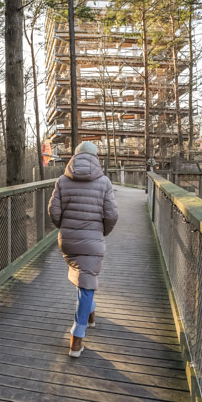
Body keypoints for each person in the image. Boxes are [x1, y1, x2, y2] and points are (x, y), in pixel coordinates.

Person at [48, 141, 118, 357]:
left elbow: (53, 210)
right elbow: (112, 215)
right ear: (95, 158)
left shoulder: (62, 180)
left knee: (83, 279)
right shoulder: (104, 182)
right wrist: (102, 232)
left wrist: (65, 227)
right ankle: (77, 340)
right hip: (92, 239)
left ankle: (90, 314)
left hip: (67, 239)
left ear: (74, 158)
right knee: (86, 283)